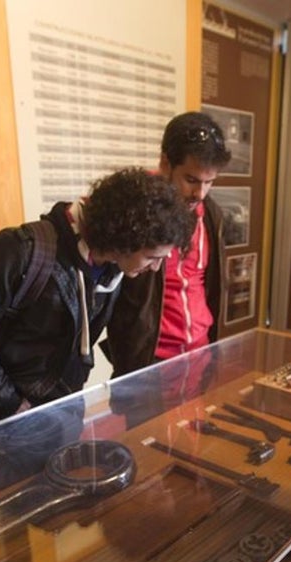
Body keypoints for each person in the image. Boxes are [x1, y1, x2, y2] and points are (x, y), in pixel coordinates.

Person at [0, 167, 193, 426]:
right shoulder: (21, 249)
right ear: (125, 237)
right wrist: (7, 402)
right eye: (152, 257)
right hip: (16, 411)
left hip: (66, 402)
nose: (156, 268)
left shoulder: (111, 266)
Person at [102, 112, 232, 379]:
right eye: (192, 180)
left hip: (200, 352)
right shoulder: (133, 209)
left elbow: (208, 286)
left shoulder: (211, 214)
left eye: (210, 182)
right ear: (165, 163)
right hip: (149, 361)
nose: (201, 193)